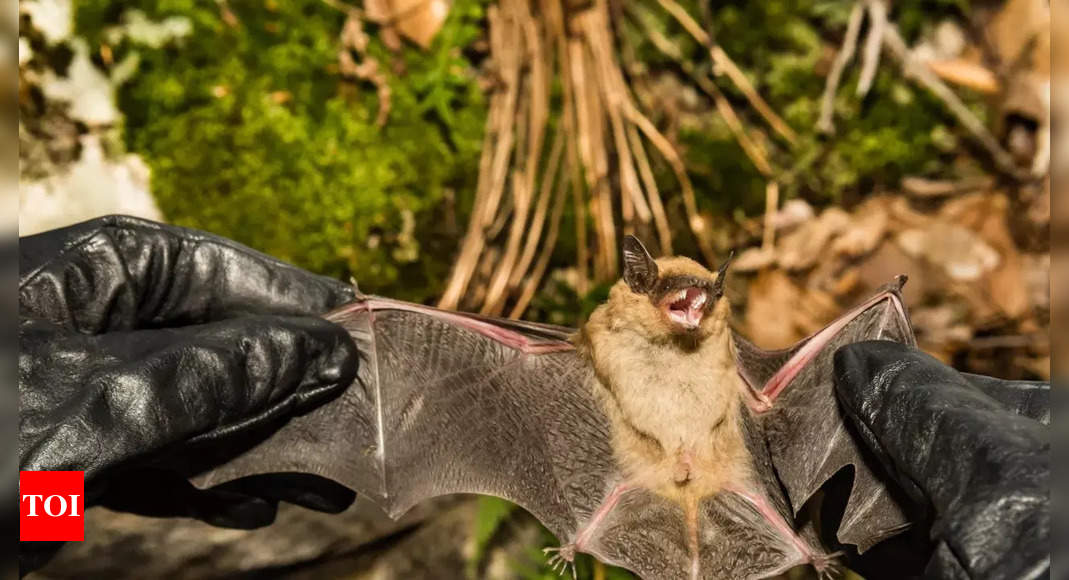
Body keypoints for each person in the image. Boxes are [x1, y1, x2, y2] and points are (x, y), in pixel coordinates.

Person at [19, 216, 1049, 579]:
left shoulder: (42, 493)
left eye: (708, 296)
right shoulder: (587, 346)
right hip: (626, 480)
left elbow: (54, 492)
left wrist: (38, 513)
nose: (696, 307)